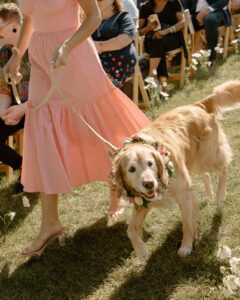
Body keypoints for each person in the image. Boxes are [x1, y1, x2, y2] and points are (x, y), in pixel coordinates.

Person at [3, 0, 151, 257]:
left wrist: (67, 47)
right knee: (43, 132)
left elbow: (93, 17)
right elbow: (29, 18)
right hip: (41, 58)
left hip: (74, 53)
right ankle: (50, 223)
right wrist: (17, 55)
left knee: (100, 127)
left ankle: (124, 187)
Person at [0, 2, 30, 196]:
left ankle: (30, 175)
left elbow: (49, 90)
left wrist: (24, 109)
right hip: (15, 106)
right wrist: (2, 112)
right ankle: (24, 168)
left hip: (41, 107)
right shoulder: (3, 52)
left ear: (15, 27)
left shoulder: (37, 46)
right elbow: (4, 88)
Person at [138, 0, 186, 89]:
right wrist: (148, 28)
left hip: (172, 38)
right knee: (157, 43)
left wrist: (166, 31)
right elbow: (139, 31)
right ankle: (161, 85)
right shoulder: (145, 7)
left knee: (158, 43)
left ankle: (151, 77)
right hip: (152, 40)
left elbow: (183, 22)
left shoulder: (173, 2)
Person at [92, 0, 137, 89]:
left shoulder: (123, 16)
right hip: (97, 61)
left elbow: (122, 41)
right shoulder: (90, 21)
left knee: (92, 75)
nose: (96, 2)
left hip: (119, 60)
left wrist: (94, 46)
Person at [183, 0, 231, 65]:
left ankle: (212, 57)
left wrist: (208, 10)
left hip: (216, 11)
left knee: (209, 19)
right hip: (196, 15)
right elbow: (185, 4)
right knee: (181, 25)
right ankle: (186, 59)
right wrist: (187, 15)